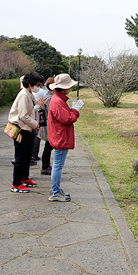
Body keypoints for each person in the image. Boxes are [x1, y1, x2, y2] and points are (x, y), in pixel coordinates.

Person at [47, 73, 83, 202]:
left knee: (57, 165)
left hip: (59, 135)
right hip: (60, 136)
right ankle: (55, 192)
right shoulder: (58, 101)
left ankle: (55, 189)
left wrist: (72, 110)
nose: (70, 88)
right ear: (64, 88)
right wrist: (75, 111)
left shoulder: (58, 99)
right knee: (57, 165)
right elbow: (67, 119)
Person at [8, 71, 44, 193]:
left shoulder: (28, 94)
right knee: (21, 157)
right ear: (30, 84)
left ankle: (24, 178)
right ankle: (16, 183)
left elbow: (29, 111)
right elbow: (23, 115)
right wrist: (35, 124)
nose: (38, 87)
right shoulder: (24, 95)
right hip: (21, 129)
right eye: (37, 84)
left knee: (28, 156)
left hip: (27, 129)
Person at [38, 76, 56, 175]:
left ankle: (46, 166)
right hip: (48, 125)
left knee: (48, 146)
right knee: (48, 147)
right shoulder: (50, 98)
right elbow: (51, 113)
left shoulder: (47, 96)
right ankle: (45, 166)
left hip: (45, 124)